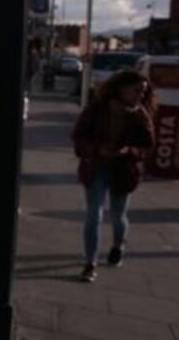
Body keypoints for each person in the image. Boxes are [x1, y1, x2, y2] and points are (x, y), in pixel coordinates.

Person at [72, 70, 156, 282]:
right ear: (121, 88)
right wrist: (97, 150)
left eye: (143, 92)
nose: (140, 96)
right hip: (96, 166)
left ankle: (118, 246)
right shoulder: (98, 108)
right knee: (94, 216)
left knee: (118, 216)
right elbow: (79, 136)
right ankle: (90, 263)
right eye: (136, 91)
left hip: (123, 171)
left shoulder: (140, 115)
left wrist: (129, 151)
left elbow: (147, 147)